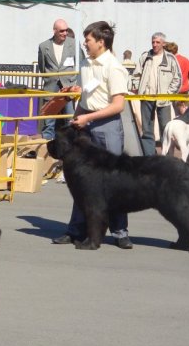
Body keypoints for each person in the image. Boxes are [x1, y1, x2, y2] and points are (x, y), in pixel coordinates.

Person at [53, 20, 133, 250]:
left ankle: (120, 232)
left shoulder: (114, 67)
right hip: (86, 123)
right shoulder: (86, 64)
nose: (85, 43)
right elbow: (86, 97)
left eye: (88, 40)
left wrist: (88, 118)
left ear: (101, 41)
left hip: (106, 126)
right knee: (82, 181)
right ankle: (76, 230)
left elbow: (118, 105)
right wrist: (77, 119)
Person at [133, 32, 181, 155]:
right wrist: (138, 89)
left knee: (165, 129)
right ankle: (149, 157)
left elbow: (177, 79)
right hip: (146, 97)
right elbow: (136, 75)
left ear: (163, 44)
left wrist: (168, 94)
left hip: (163, 99)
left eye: (157, 42)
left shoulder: (170, 58)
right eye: (153, 42)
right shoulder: (145, 57)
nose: (154, 44)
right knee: (146, 129)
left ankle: (168, 158)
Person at [38, 18, 81, 140]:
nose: (65, 33)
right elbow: (42, 66)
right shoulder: (43, 46)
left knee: (69, 112)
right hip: (51, 83)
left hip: (68, 83)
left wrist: (75, 81)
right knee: (49, 112)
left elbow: (79, 62)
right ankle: (47, 136)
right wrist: (49, 77)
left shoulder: (73, 44)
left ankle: (70, 137)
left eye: (66, 30)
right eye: (62, 31)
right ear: (54, 31)